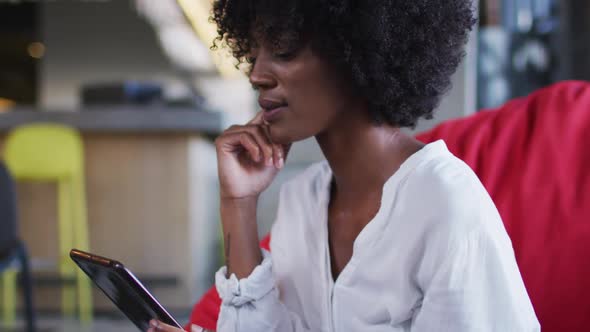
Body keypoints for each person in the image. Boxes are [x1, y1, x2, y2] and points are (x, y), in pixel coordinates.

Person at [149, 0, 540, 331]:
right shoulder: (302, 201)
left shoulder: (446, 207)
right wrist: (238, 201)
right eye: (253, 52)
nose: (256, 74)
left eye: (283, 50)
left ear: (355, 49)